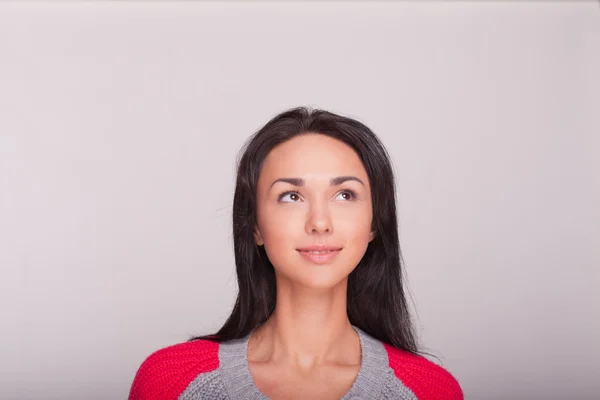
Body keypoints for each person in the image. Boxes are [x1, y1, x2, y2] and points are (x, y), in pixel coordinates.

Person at [128, 107, 464, 400]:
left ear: (375, 223)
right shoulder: (169, 383)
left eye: (345, 195)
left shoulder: (430, 390)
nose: (319, 222)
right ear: (255, 226)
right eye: (291, 196)